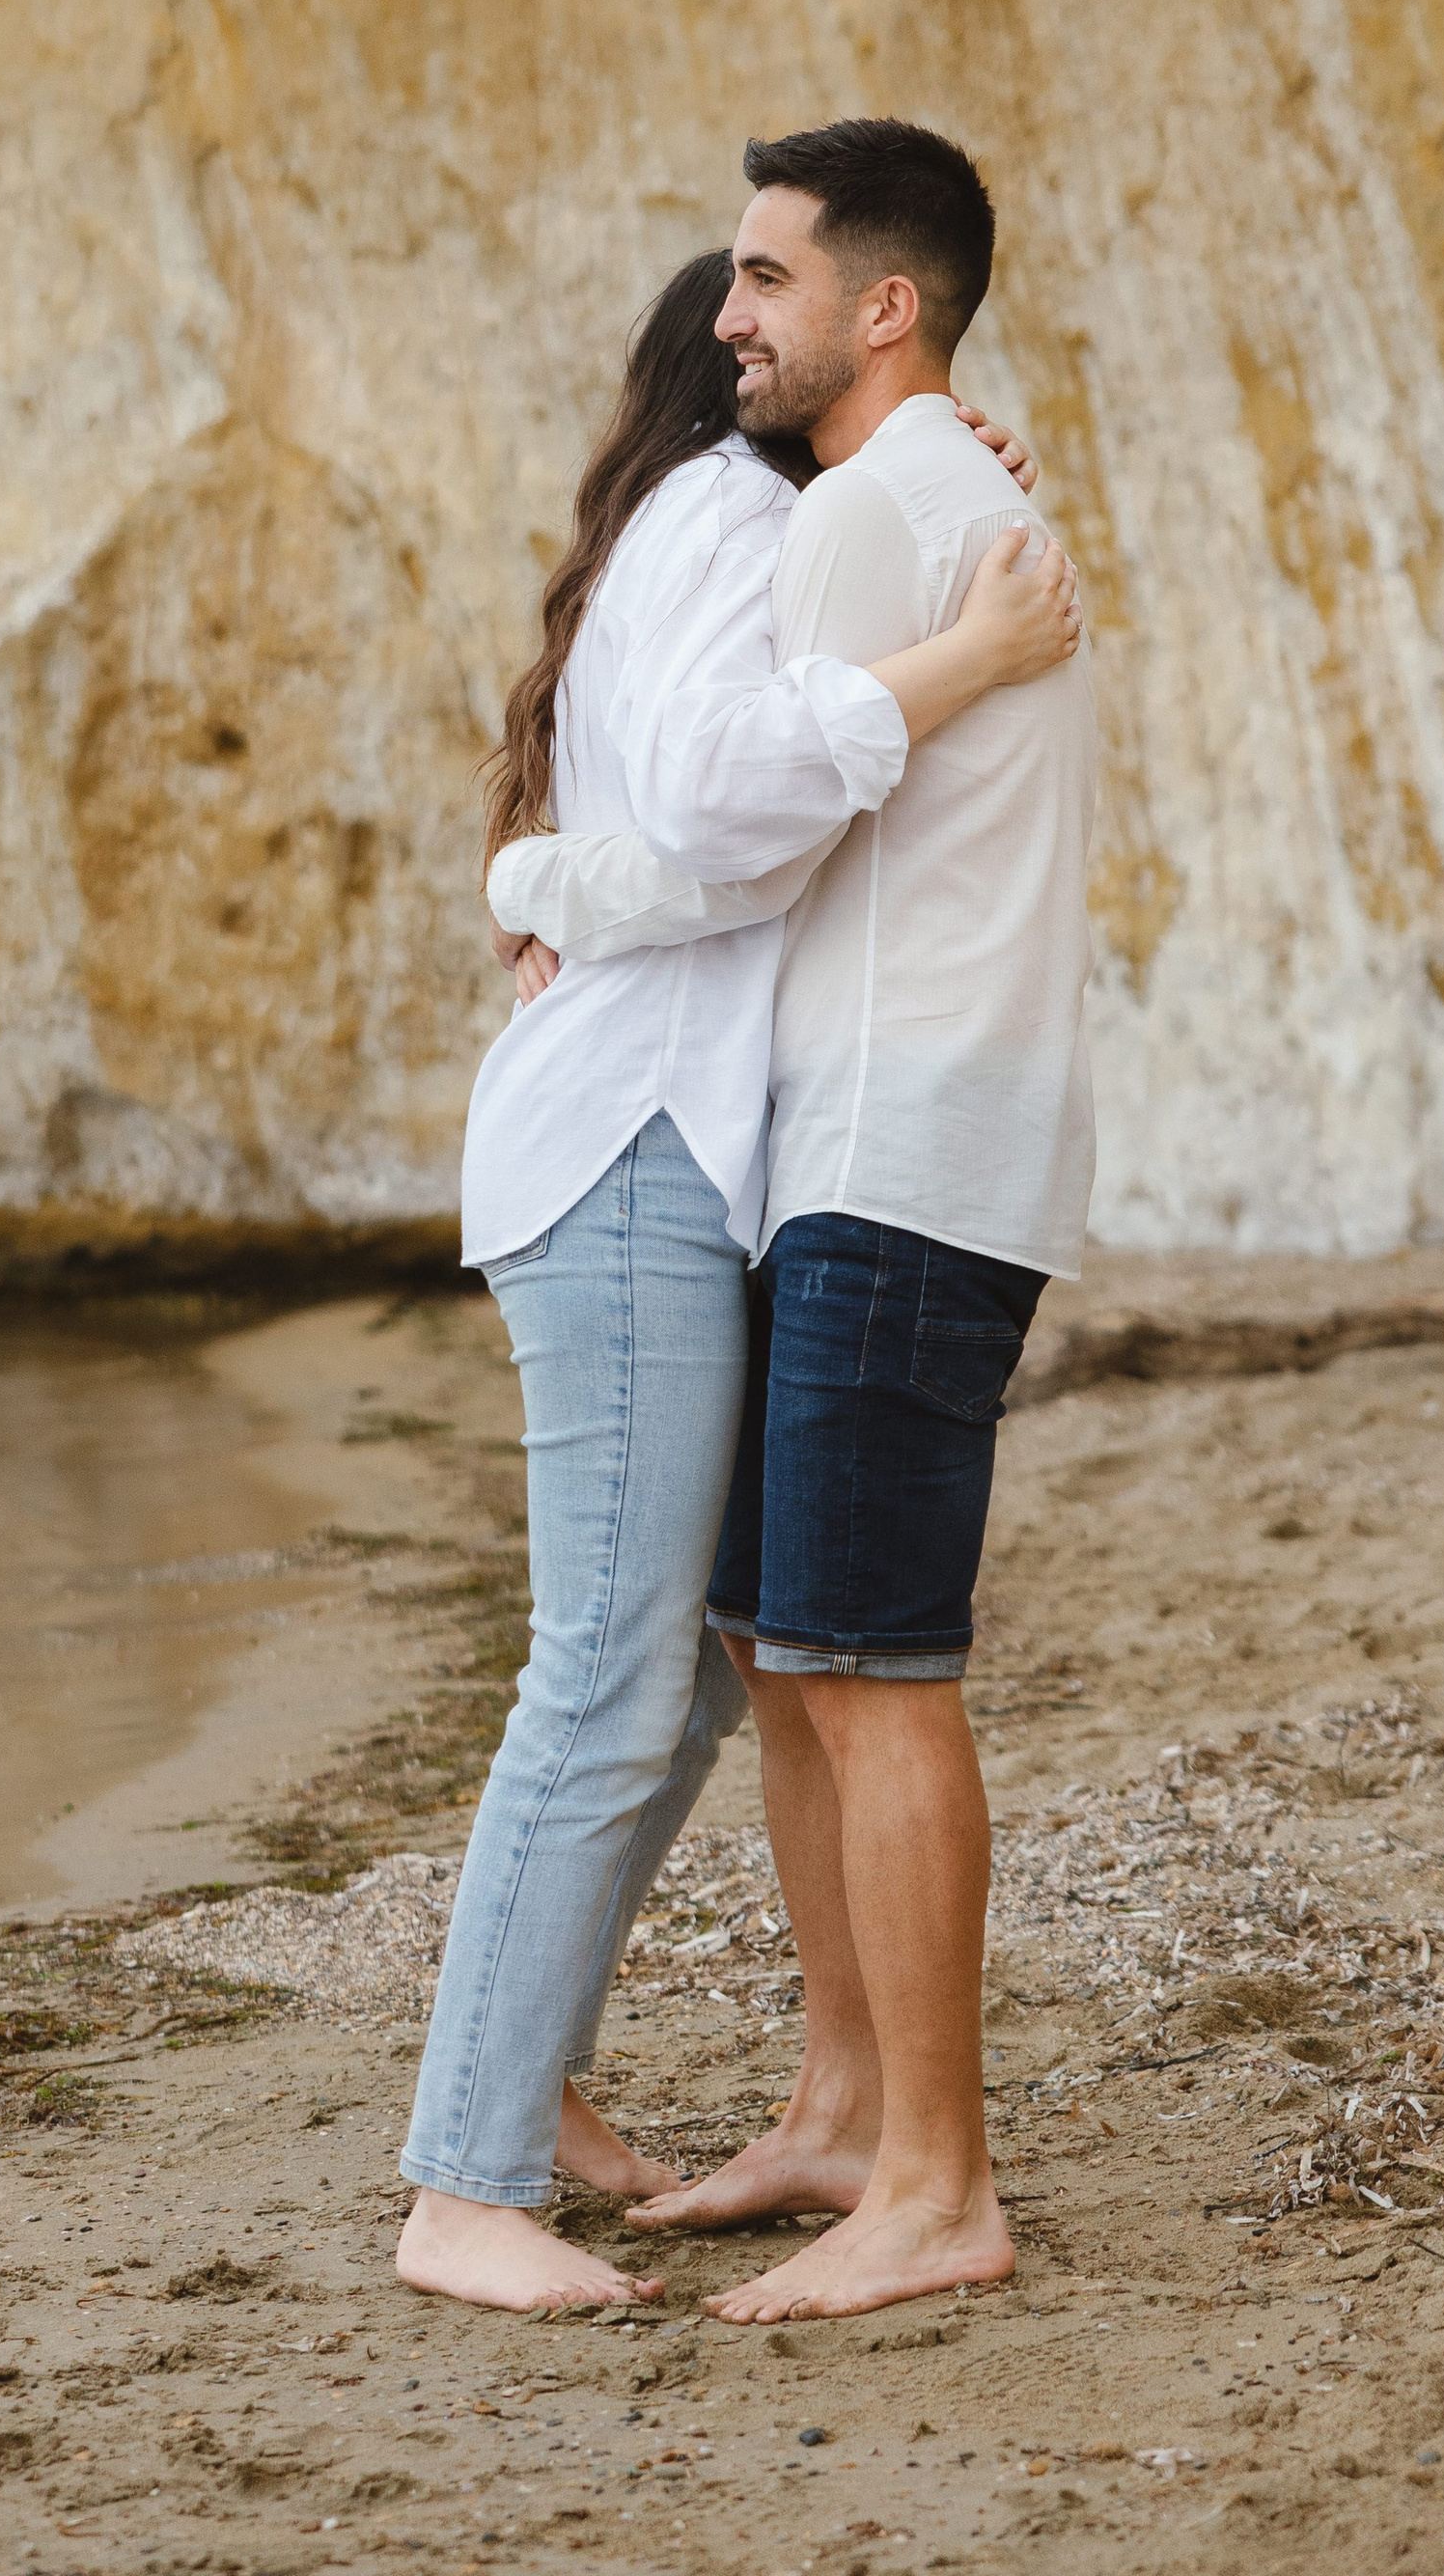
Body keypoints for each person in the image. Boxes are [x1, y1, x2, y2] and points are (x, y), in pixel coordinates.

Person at [396, 244, 1078, 2314]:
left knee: (680, 1670)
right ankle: (462, 2185)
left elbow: (689, 822)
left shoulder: (754, 517)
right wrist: (956, 655)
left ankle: (527, 2082)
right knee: (608, 1670)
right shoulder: (726, 516)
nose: (752, 333)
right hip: (630, 1146)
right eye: (744, 307)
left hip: (665, 1147)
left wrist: (936, 490)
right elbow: (718, 825)